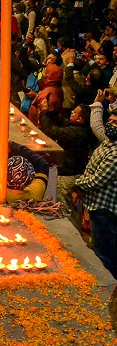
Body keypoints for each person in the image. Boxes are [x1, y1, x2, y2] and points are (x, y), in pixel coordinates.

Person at [73, 109, 117, 276]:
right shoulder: (107, 143)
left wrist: (77, 184)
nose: (110, 125)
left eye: (115, 123)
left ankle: (107, 285)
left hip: (106, 209)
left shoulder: (115, 153)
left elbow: (98, 179)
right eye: (110, 121)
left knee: (104, 253)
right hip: (95, 204)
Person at [38, 104, 95, 221]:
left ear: (80, 119)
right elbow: (61, 121)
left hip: (69, 175)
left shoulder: (77, 133)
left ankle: (70, 234)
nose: (71, 112)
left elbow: (51, 130)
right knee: (70, 208)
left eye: (75, 112)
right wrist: (51, 111)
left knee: (65, 208)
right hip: (74, 172)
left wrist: (44, 112)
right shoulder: (78, 128)